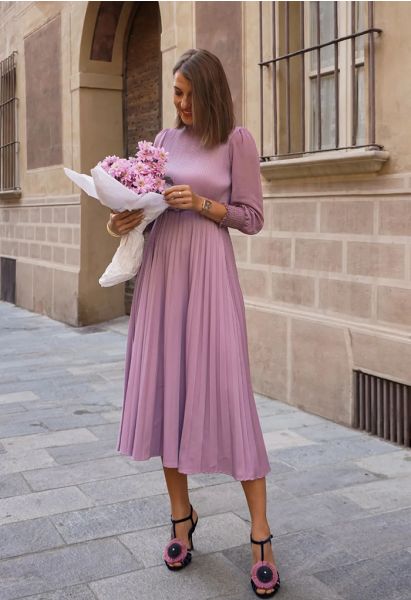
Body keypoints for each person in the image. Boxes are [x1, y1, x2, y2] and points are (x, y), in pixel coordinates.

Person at [108, 48, 280, 597]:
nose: (178, 103)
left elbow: (251, 218)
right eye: (174, 93)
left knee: (229, 392)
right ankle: (181, 518)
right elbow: (142, 209)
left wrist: (203, 204)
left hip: (208, 280)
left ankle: (260, 534)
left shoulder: (237, 141)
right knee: (165, 394)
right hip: (161, 278)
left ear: (208, 91)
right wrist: (122, 217)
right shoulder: (161, 142)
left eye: (185, 93)